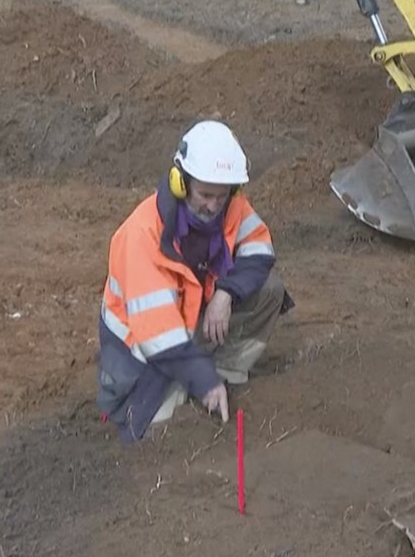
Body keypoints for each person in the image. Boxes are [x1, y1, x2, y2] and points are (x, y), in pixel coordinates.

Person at [95, 120, 293, 444]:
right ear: (180, 182)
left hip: (185, 327)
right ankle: (203, 383)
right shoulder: (142, 235)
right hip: (139, 353)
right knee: (158, 434)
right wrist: (204, 381)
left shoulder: (231, 207)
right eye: (205, 195)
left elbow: (259, 249)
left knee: (269, 289)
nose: (213, 206)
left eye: (222, 196)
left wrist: (226, 293)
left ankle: (226, 376)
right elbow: (159, 336)